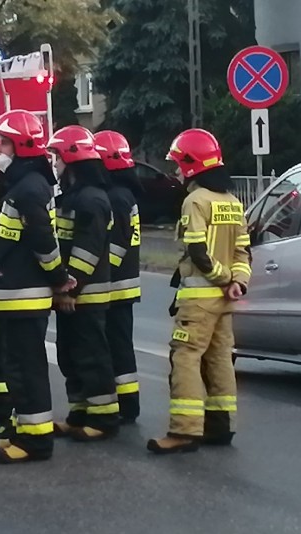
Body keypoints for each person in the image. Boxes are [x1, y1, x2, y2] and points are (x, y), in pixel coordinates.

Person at [0, 109, 76, 463]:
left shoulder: (29, 187)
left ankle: (36, 442)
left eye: (2, 142)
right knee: (16, 368)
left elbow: (42, 242)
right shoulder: (21, 185)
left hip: (24, 297)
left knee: (28, 369)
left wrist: (60, 279)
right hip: (12, 295)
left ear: (19, 146)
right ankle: (23, 430)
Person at [147, 128, 252, 454]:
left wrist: (221, 278)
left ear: (192, 164)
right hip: (224, 301)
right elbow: (243, 252)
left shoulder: (195, 201)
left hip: (199, 299)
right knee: (220, 359)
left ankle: (184, 430)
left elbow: (197, 252)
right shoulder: (233, 202)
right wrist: (237, 282)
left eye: (179, 163)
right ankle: (221, 426)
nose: (176, 171)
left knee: (186, 359)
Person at [47, 125, 120, 442]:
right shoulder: (73, 197)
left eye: (56, 157)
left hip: (85, 295)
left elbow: (87, 252)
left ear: (71, 159)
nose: (55, 165)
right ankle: (79, 412)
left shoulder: (92, 200)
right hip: (73, 293)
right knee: (70, 354)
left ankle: (104, 419)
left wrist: (70, 288)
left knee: (92, 356)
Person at [93, 130, 143, 424]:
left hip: (116, 287)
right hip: (119, 285)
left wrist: (100, 271)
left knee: (119, 346)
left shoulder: (118, 197)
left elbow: (119, 242)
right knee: (117, 345)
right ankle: (124, 401)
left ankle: (127, 404)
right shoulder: (121, 193)